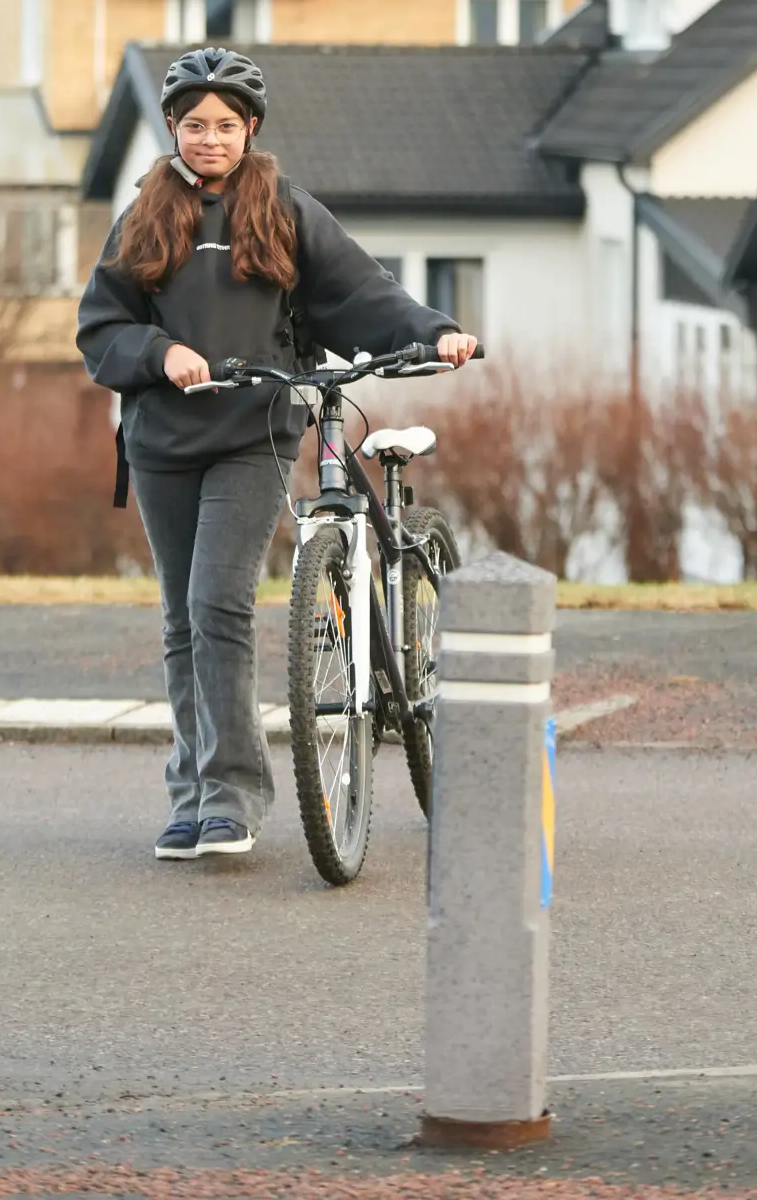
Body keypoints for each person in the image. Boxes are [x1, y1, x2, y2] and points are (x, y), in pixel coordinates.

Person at [76, 46, 475, 861]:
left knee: (217, 604)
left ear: (250, 129)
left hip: (252, 435)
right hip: (161, 442)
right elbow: (101, 327)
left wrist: (433, 331)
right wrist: (159, 354)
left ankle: (231, 797)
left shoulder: (285, 210)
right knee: (182, 619)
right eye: (195, 126)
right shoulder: (146, 214)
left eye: (226, 126)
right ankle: (190, 792)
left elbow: (363, 294)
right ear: (174, 131)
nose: (210, 139)